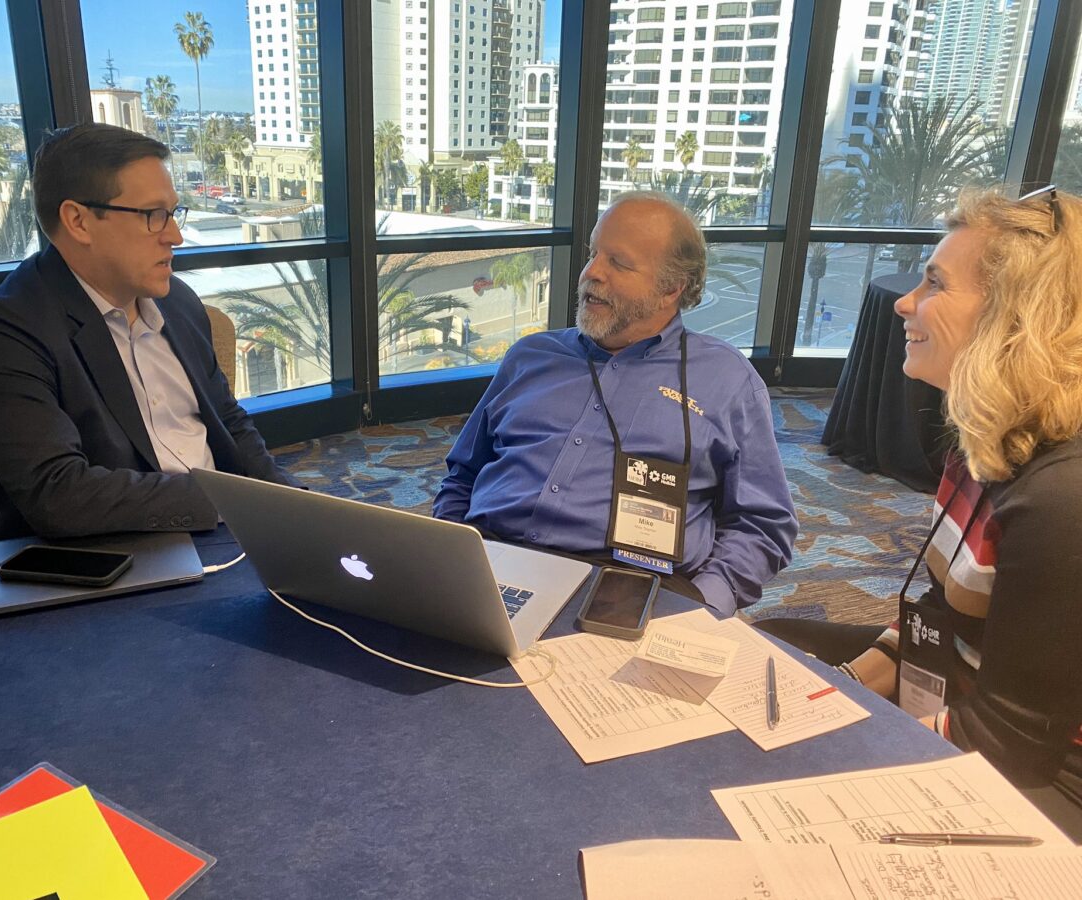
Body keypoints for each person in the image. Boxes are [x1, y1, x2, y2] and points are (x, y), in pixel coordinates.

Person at [757, 187, 1082, 837]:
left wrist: (832, 747)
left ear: (1013, 317)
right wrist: (838, 692)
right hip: (965, 692)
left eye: (935, 283)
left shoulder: (1061, 499)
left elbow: (1009, 745)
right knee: (769, 650)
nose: (905, 302)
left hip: (1049, 779)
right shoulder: (987, 438)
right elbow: (934, 623)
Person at [433, 192, 797, 616]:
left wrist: (703, 606)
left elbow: (763, 525)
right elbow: (463, 474)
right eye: (593, 254)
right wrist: (448, 554)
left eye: (618, 263)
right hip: (491, 563)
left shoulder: (727, 381)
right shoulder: (530, 357)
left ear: (671, 289)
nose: (591, 273)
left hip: (628, 588)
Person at [0, 123, 300, 541]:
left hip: (230, 529)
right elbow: (59, 494)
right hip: (116, 560)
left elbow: (228, 419)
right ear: (78, 221)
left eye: (174, 213)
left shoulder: (179, 303)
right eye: (154, 216)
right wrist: (231, 499)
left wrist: (290, 503)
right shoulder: (5, 331)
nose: (174, 236)